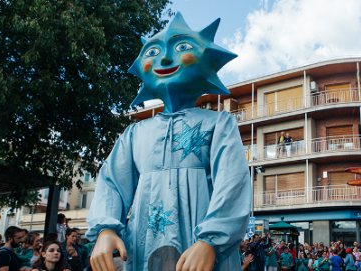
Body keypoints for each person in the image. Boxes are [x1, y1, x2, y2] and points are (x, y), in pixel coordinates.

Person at [86, 12, 250, 271]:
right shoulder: (134, 133)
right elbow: (112, 184)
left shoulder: (219, 124)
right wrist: (105, 228)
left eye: (182, 47)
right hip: (143, 249)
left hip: (200, 252)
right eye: (152, 51)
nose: (164, 58)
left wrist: (211, 242)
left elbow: (233, 184)